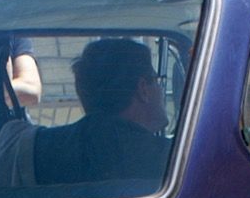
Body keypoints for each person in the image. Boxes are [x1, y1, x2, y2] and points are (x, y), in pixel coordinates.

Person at [16, 38, 172, 189]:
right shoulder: (175, 161)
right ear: (143, 88)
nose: (161, 89)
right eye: (157, 80)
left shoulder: (33, 150)